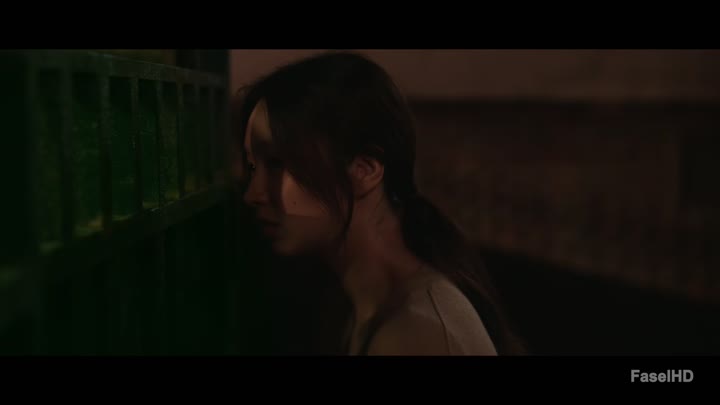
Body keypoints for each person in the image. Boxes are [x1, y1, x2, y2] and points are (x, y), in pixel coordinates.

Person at [232, 51, 523, 355]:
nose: (253, 194)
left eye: (276, 163)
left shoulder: (415, 334)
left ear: (364, 170)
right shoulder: (359, 303)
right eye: (253, 167)